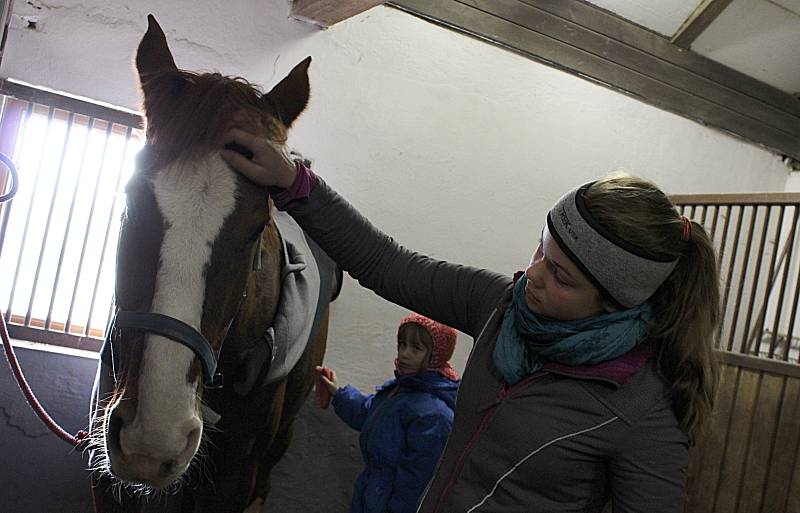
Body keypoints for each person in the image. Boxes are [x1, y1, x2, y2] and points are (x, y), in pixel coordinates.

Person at [220, 127, 721, 512]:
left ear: (616, 302)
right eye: (542, 250)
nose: (534, 274)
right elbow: (387, 264)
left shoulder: (642, 407)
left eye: (563, 278)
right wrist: (294, 183)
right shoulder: (501, 305)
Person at [315, 312, 460, 513]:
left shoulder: (434, 417)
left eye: (416, 348)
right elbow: (368, 413)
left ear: (436, 356)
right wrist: (339, 394)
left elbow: (416, 483)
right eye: (402, 344)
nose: (405, 353)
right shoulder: (400, 390)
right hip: (371, 492)